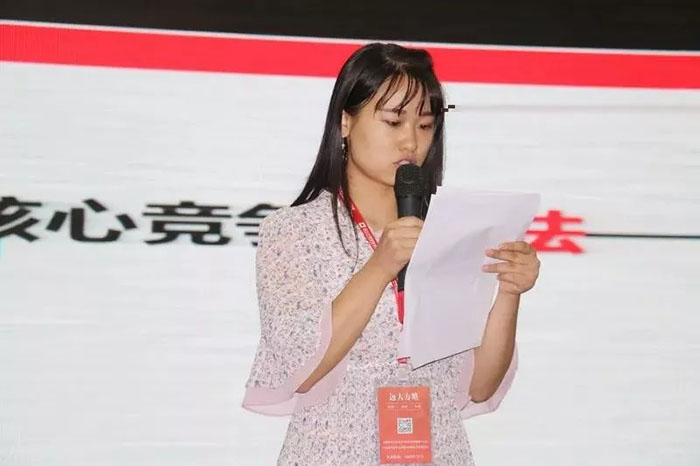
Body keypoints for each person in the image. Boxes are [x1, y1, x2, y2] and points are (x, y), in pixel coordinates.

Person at [242, 42, 541, 465]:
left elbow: (480, 386)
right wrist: (381, 265)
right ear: (345, 121)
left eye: (425, 125)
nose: (411, 141)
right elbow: (301, 366)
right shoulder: (293, 232)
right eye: (393, 121)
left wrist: (510, 292)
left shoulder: (448, 231)